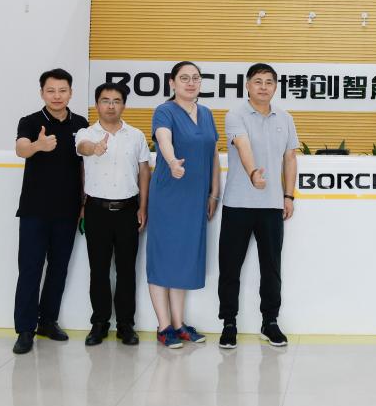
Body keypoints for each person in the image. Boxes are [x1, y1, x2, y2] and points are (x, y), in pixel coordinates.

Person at [218, 63, 299, 349]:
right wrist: (253, 173)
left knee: (271, 267)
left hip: (272, 206)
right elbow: (242, 145)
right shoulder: (235, 115)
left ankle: (270, 322)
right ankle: (229, 323)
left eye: (269, 82)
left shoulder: (285, 118)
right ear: (248, 85)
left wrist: (288, 196)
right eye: (258, 81)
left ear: (275, 87)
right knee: (230, 267)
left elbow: (290, 158)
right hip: (238, 203)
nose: (263, 87)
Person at [12, 68, 89, 355]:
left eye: (62, 91)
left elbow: (84, 166)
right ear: (42, 93)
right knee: (30, 269)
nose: (57, 96)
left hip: (68, 210)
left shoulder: (81, 124)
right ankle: (25, 329)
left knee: (59, 268)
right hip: (35, 210)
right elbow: (21, 149)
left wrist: (84, 202)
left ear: (71, 92)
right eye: (51, 91)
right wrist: (38, 145)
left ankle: (47, 321)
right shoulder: (31, 122)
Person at [146, 61, 220, 349]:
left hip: (195, 197)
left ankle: (179, 324)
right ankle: (164, 326)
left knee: (184, 258)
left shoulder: (206, 114)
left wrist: (214, 193)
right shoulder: (164, 111)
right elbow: (163, 138)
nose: (191, 83)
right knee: (163, 257)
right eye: (184, 78)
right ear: (172, 83)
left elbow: (213, 154)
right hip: (169, 195)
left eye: (195, 78)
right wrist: (172, 161)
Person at [75, 82, 150, 346]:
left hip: (128, 210)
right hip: (97, 211)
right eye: (105, 100)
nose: (111, 106)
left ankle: (126, 325)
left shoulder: (136, 135)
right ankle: (99, 323)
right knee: (99, 270)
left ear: (124, 105)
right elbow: (82, 147)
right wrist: (94, 149)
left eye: (116, 101)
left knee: (127, 270)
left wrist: (143, 207)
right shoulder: (86, 133)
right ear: (97, 104)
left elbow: (144, 171)